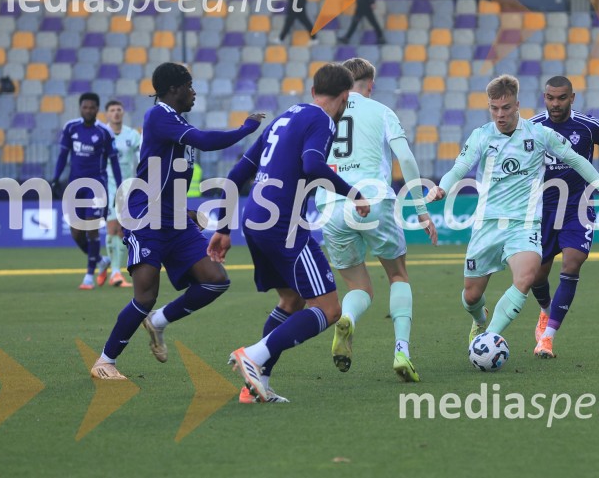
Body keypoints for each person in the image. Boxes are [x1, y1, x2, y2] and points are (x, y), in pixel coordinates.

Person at [426, 75, 599, 354]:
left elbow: (577, 160)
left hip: (525, 225)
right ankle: (479, 320)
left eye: (506, 108)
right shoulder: (482, 135)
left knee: (526, 278)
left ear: (517, 105)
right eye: (494, 108)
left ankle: (488, 340)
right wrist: (442, 188)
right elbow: (460, 167)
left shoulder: (539, 134)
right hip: (487, 224)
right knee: (471, 295)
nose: (500, 114)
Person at [90, 63, 265, 380]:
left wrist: (181, 211)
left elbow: (167, 175)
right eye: (190, 85)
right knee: (144, 296)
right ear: (174, 89)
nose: (194, 92)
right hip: (146, 218)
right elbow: (205, 140)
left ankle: (158, 321)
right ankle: (105, 361)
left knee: (216, 280)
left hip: (173, 219)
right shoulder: (160, 116)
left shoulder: (175, 122)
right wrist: (245, 129)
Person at [207, 63, 370, 403]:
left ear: (313, 92)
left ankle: (256, 387)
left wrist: (223, 226)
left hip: (254, 219)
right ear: (344, 98)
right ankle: (254, 355)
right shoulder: (322, 121)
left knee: (291, 300)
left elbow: (237, 174)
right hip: (284, 223)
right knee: (329, 309)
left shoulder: (284, 118)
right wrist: (353, 193)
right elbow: (312, 165)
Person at [314, 58, 437, 382]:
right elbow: (407, 159)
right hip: (373, 199)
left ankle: (349, 318)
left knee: (358, 285)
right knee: (397, 275)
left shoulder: (320, 114)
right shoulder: (381, 111)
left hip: (330, 205)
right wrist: (421, 210)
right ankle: (401, 350)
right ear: (369, 84)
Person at [528, 76, 599, 358]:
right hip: (542, 209)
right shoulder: (532, 127)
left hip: (578, 207)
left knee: (572, 264)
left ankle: (547, 339)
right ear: (544, 97)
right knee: (537, 275)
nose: (555, 103)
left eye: (561, 98)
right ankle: (545, 313)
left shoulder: (588, 125)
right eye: (550, 98)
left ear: (572, 98)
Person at [51, 92, 122, 290]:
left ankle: (89, 276)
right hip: (75, 187)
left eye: (92, 107)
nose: (88, 110)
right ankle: (100, 260)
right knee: (76, 234)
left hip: (96, 187)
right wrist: (55, 179)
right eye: (85, 107)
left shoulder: (103, 132)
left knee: (91, 229)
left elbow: (114, 162)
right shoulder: (71, 128)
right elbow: (63, 156)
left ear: (97, 110)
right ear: (81, 108)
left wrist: (119, 186)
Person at [104, 99, 142, 288]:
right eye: (112, 110)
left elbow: (143, 154)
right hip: (107, 185)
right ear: (107, 114)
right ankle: (115, 273)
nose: (116, 113)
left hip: (127, 186)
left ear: (123, 113)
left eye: (119, 109)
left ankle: (111, 268)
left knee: (122, 229)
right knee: (113, 226)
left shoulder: (132, 135)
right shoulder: (102, 133)